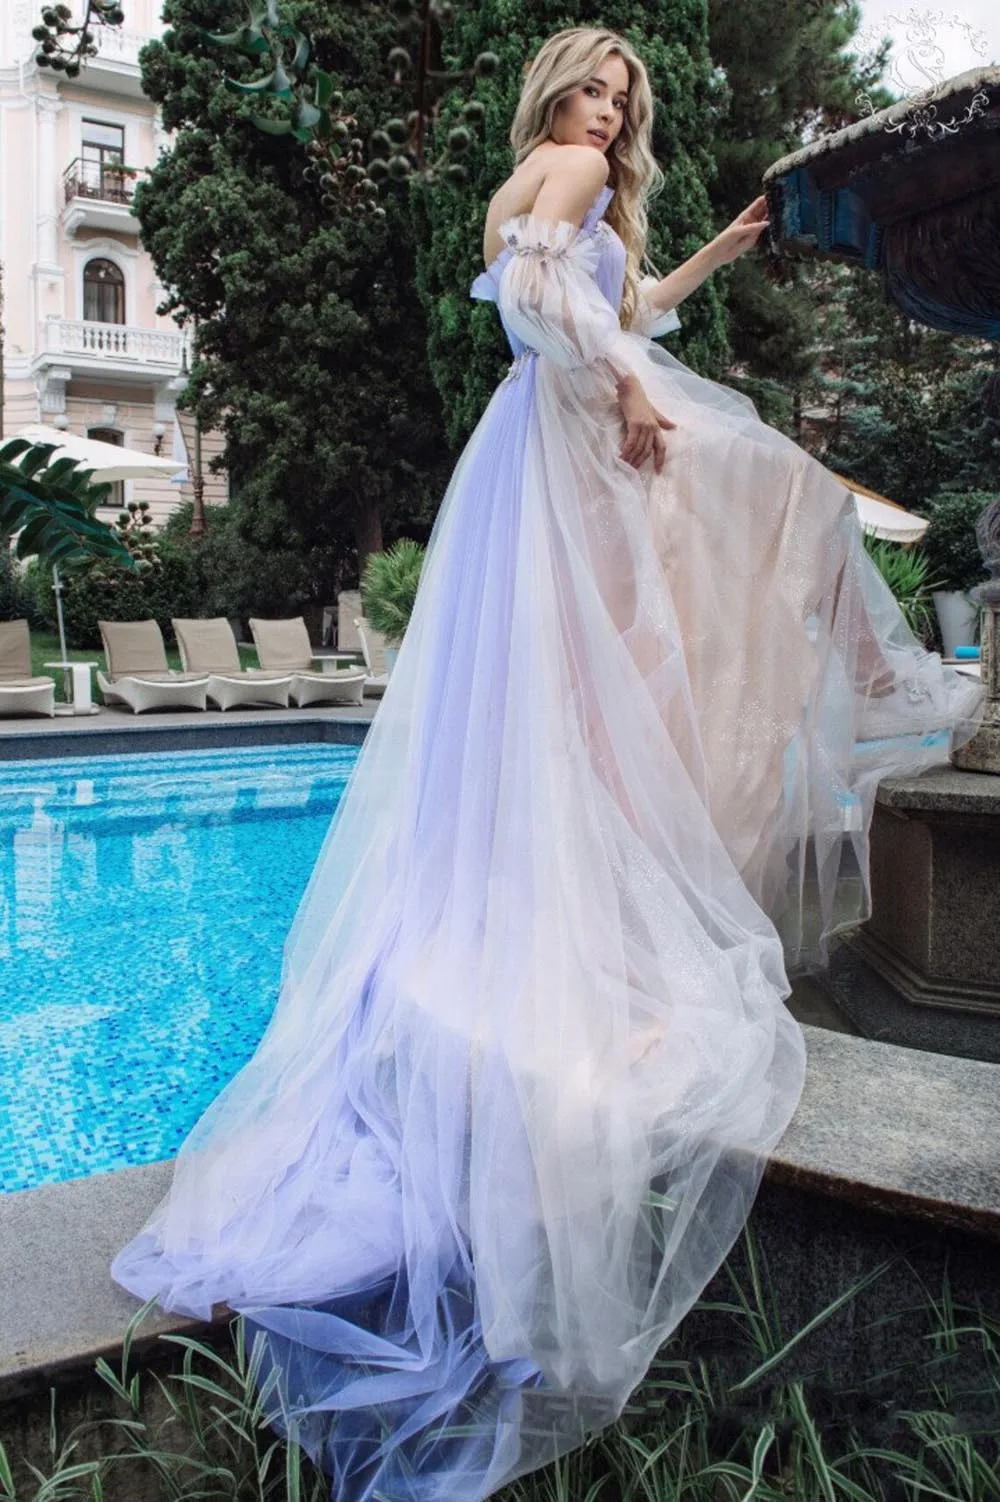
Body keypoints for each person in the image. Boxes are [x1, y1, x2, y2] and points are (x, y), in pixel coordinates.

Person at [112, 25, 984, 1502]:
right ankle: (882, 679)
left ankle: (664, 850)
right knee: (782, 498)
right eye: (598, 87)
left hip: (548, 444)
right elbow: (546, 307)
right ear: (558, 89)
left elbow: (614, 302)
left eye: (623, 99)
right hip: (577, 434)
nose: (609, 113)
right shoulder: (563, 168)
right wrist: (637, 394)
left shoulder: (555, 179)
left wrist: (711, 257)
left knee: (599, 695)